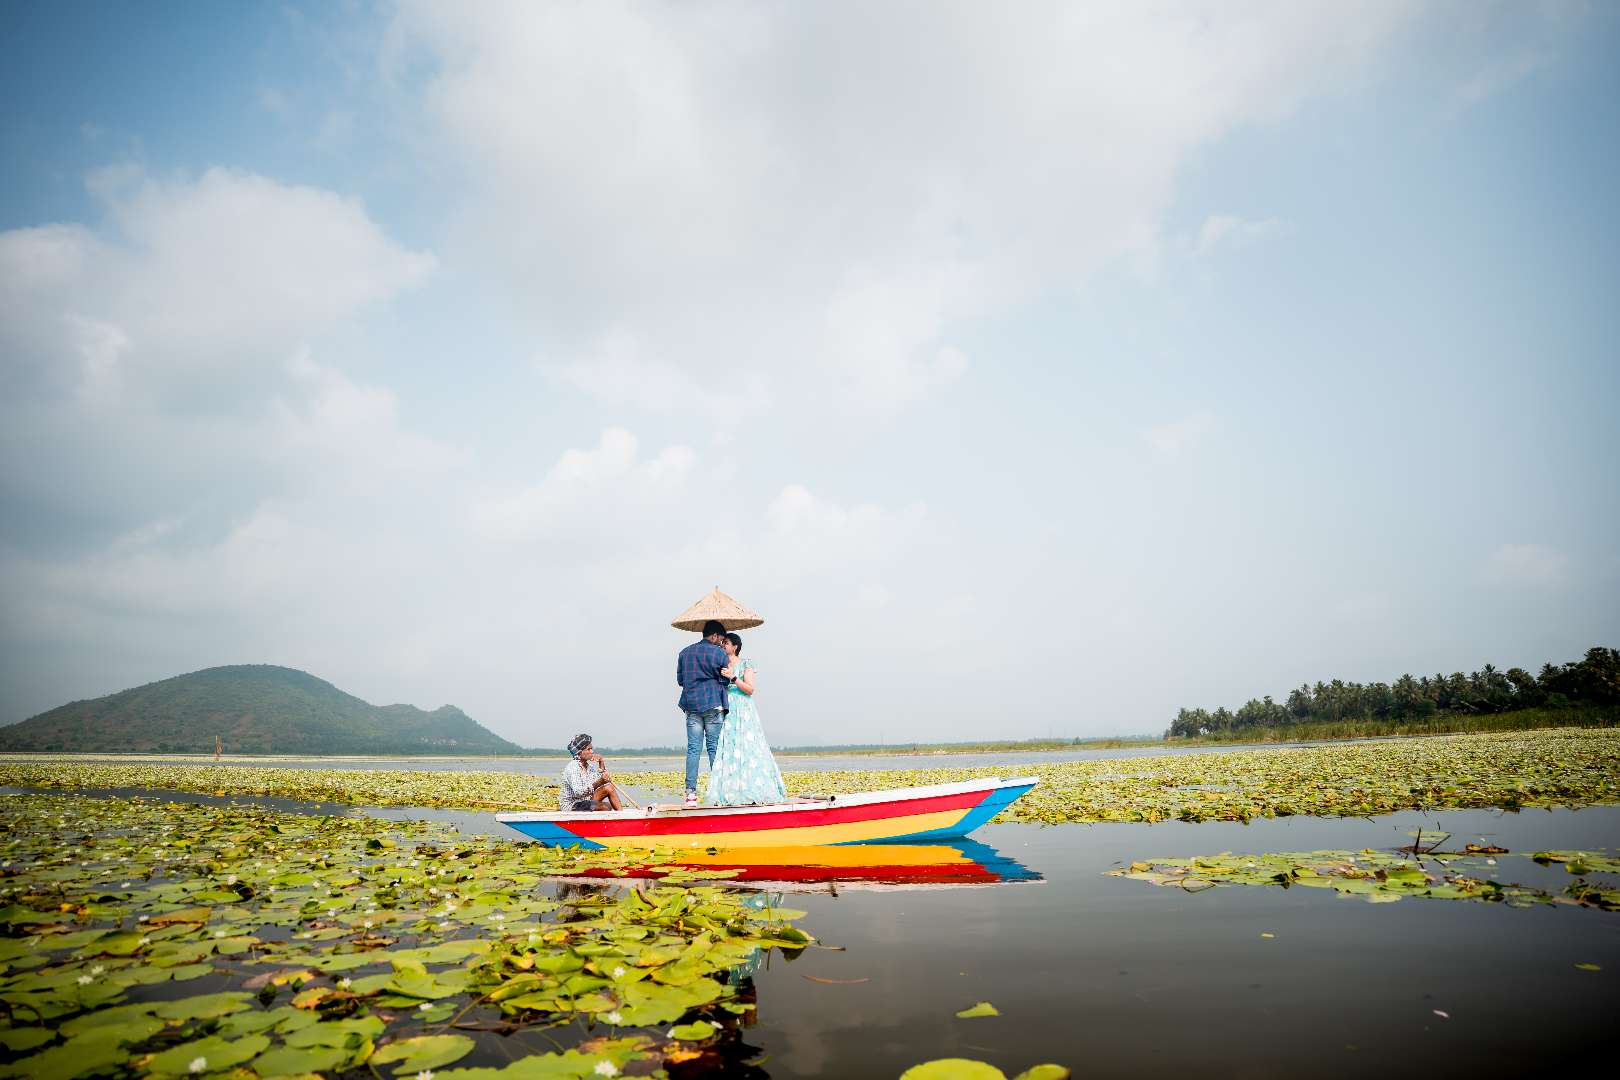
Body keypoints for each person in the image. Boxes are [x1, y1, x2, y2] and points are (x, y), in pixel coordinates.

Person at [705, 632, 786, 806]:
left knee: (748, 745)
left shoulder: (745, 664)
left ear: (735, 646)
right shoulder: (721, 664)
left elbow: (749, 689)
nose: (722, 645)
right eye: (722, 642)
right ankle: (730, 790)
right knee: (729, 746)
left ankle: (752, 788)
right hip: (726, 707)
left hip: (743, 707)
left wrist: (733, 677)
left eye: (726, 643)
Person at [677, 619, 732, 807]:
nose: (721, 643)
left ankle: (690, 795)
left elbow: (680, 681)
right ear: (715, 635)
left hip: (691, 705)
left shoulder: (684, 653)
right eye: (721, 639)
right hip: (713, 704)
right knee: (714, 748)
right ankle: (718, 792)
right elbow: (725, 680)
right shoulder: (719, 653)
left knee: (693, 749)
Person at [559, 732, 622, 811]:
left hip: (585, 801)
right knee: (606, 806)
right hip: (572, 805)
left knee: (609, 787)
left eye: (592, 749)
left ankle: (622, 815)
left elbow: (603, 782)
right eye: (589, 749)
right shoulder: (573, 768)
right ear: (580, 752)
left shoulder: (589, 767)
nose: (592, 752)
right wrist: (599, 782)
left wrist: (601, 763)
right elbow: (579, 792)